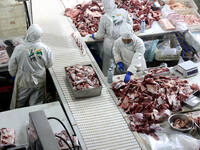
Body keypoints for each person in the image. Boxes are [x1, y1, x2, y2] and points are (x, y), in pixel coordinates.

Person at [8, 24, 53, 109]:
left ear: (28, 34)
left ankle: (19, 119)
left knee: (19, 104)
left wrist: (13, 75)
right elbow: (49, 64)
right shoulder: (45, 48)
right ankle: (35, 120)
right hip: (39, 80)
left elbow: (12, 66)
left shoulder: (19, 49)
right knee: (37, 105)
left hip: (24, 81)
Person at [89, 0, 133, 76]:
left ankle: (108, 80)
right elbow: (130, 23)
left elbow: (100, 35)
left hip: (110, 44)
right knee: (123, 61)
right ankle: (122, 80)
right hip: (124, 42)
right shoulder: (123, 12)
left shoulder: (104, 17)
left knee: (109, 64)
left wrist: (94, 36)